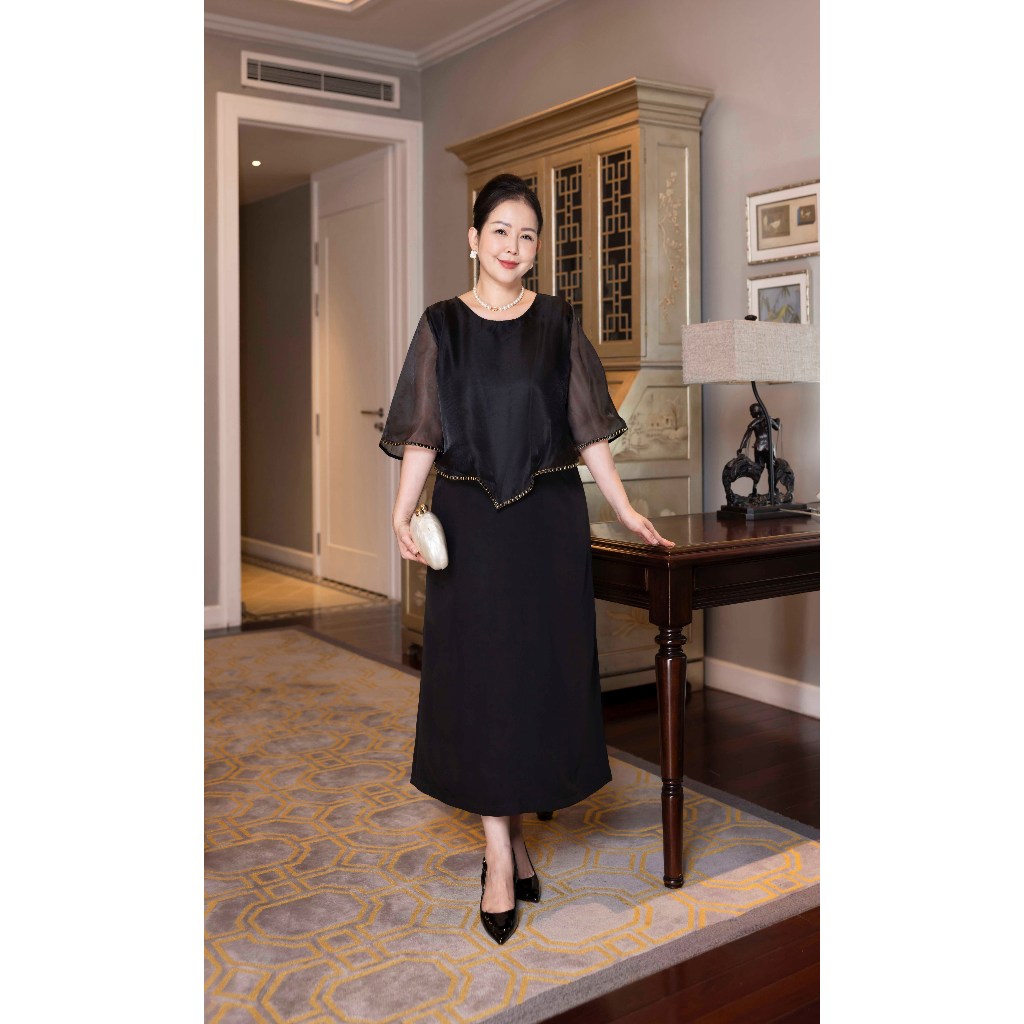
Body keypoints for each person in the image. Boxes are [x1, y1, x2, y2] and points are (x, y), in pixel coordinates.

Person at [378, 174, 672, 945]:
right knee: (480, 684)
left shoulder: (558, 323)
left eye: (527, 235)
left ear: (538, 249)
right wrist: (401, 509)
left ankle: (508, 845)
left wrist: (625, 507)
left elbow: (588, 428)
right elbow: (423, 430)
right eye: (500, 231)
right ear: (474, 240)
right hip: (471, 524)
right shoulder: (441, 325)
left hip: (547, 521)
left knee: (534, 679)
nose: (513, 246)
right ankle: (501, 859)